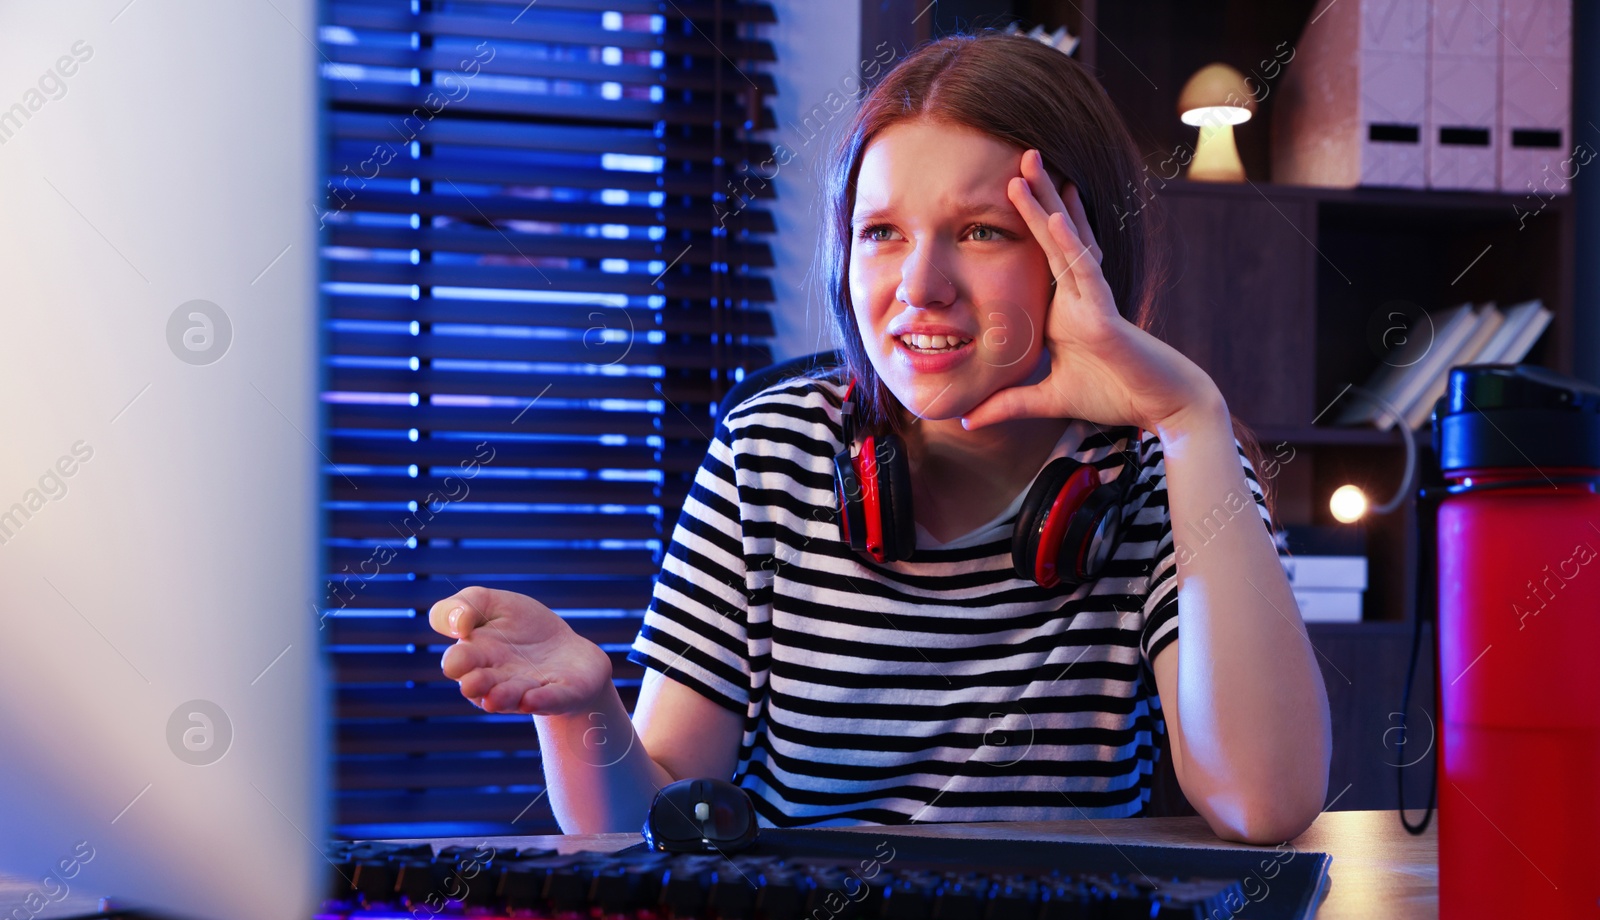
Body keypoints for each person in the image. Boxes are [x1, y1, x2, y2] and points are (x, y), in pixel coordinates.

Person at [428, 31, 1332, 844]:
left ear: (1081, 254)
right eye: (882, 233)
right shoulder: (770, 448)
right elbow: (651, 815)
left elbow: (1265, 803)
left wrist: (1190, 417)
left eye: (983, 230)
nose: (920, 284)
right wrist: (583, 709)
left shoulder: (1165, 466)